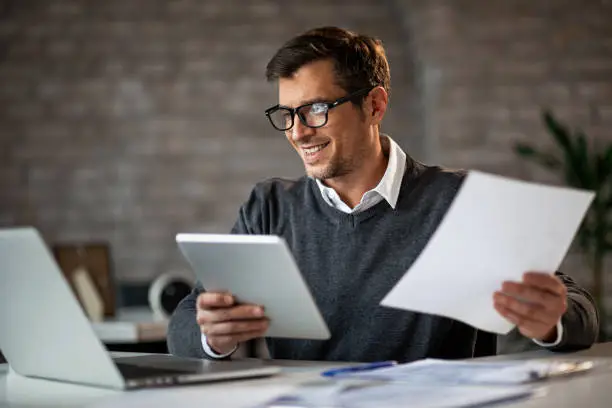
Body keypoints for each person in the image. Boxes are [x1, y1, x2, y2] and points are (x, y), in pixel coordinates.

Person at [167, 26, 598, 363]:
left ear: (374, 105)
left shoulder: (458, 201)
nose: (298, 132)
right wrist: (211, 334)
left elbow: (578, 311)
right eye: (286, 114)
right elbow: (185, 323)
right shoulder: (269, 208)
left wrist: (550, 320)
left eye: (316, 110)